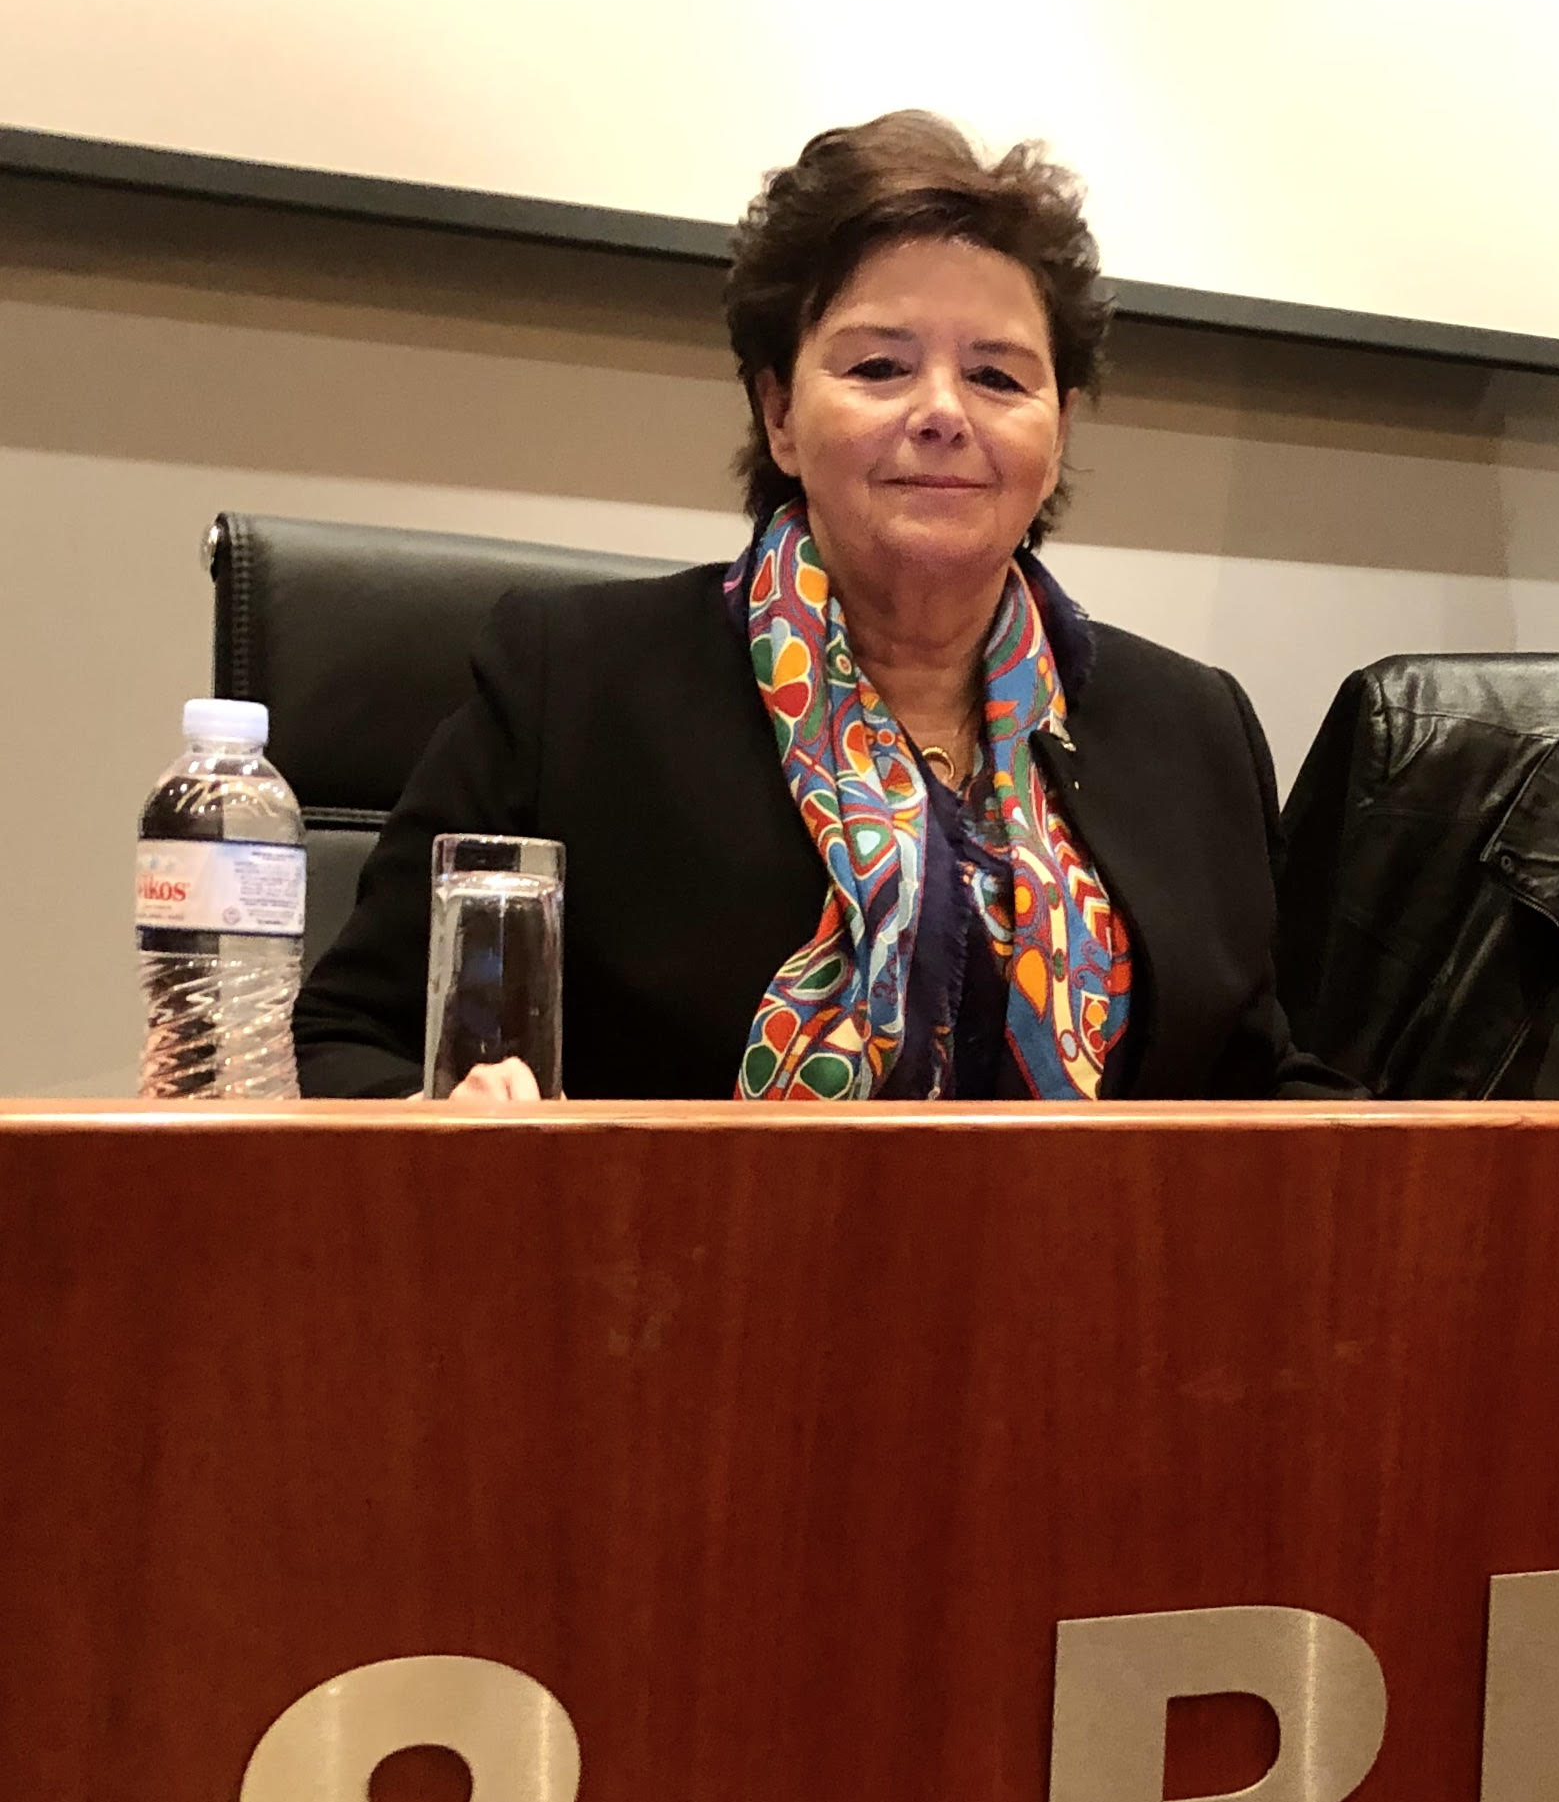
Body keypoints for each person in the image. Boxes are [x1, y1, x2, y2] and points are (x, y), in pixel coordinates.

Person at [296, 111, 1351, 1101]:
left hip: (1103, 1246)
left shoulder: (1193, 727)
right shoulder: (571, 686)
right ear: (780, 415)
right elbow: (350, 1034)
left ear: (1059, 430)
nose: (942, 412)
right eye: (881, 366)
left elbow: (1259, 1087)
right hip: (670, 1241)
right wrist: (454, 1122)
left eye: (998, 378)